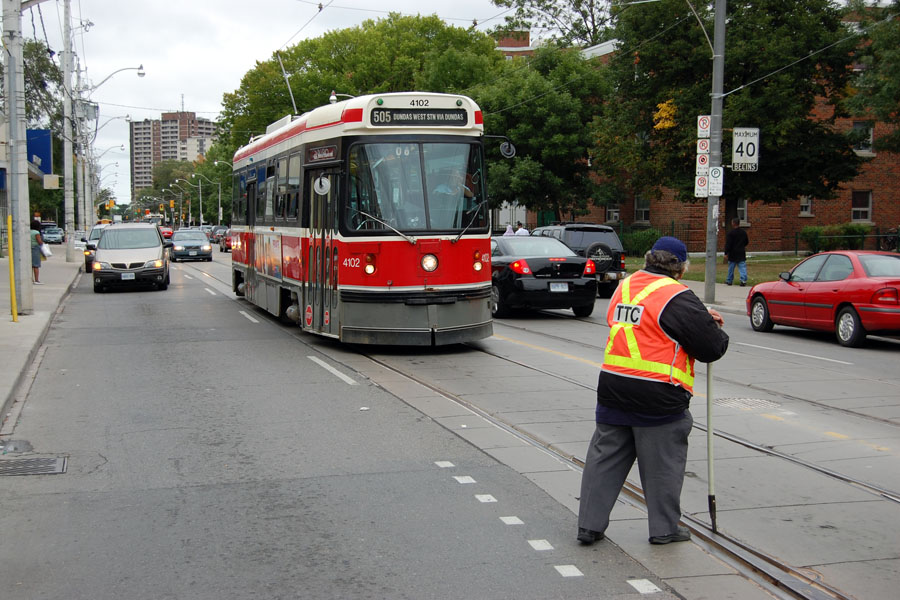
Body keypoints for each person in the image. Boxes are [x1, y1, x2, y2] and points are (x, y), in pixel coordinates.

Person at [577, 236, 729, 546]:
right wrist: (709, 323)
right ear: (681, 268)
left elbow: (640, 323)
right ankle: (664, 529)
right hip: (658, 395)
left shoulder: (626, 286)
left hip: (613, 385)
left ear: (648, 259)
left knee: (604, 458)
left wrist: (698, 317)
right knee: (663, 463)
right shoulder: (677, 295)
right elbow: (711, 347)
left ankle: (589, 526)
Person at [723, 218, 749, 286]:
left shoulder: (731, 233)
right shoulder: (743, 232)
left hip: (733, 253)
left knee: (731, 267)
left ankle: (729, 280)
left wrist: (726, 253)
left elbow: (728, 244)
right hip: (741, 252)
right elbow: (746, 242)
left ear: (733, 223)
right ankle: (743, 280)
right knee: (742, 267)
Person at [30, 219, 45, 285]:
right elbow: (39, 242)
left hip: (29, 248)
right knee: (36, 265)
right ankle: (36, 280)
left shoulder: (29, 231)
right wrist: (43, 243)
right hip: (35, 248)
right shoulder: (36, 233)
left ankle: (31, 279)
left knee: (30, 265)